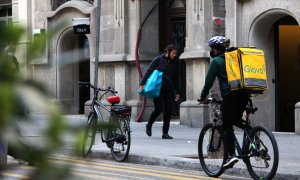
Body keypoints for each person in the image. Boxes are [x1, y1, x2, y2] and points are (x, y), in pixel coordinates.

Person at [199, 36, 249, 169]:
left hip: (230, 95)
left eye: (212, 49)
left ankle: (231, 155)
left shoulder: (216, 61)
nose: (211, 51)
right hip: (244, 94)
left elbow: (209, 81)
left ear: (216, 50)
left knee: (226, 125)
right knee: (235, 119)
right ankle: (251, 134)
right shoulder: (233, 59)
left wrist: (203, 96)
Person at [139, 44, 180, 139]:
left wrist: (177, 92)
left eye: (175, 53)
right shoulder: (159, 59)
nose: (175, 55)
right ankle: (149, 125)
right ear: (168, 52)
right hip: (158, 88)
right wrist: (143, 82)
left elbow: (176, 78)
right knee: (159, 108)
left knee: (168, 110)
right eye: (173, 53)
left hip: (169, 89)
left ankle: (165, 133)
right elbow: (149, 70)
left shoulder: (176, 62)